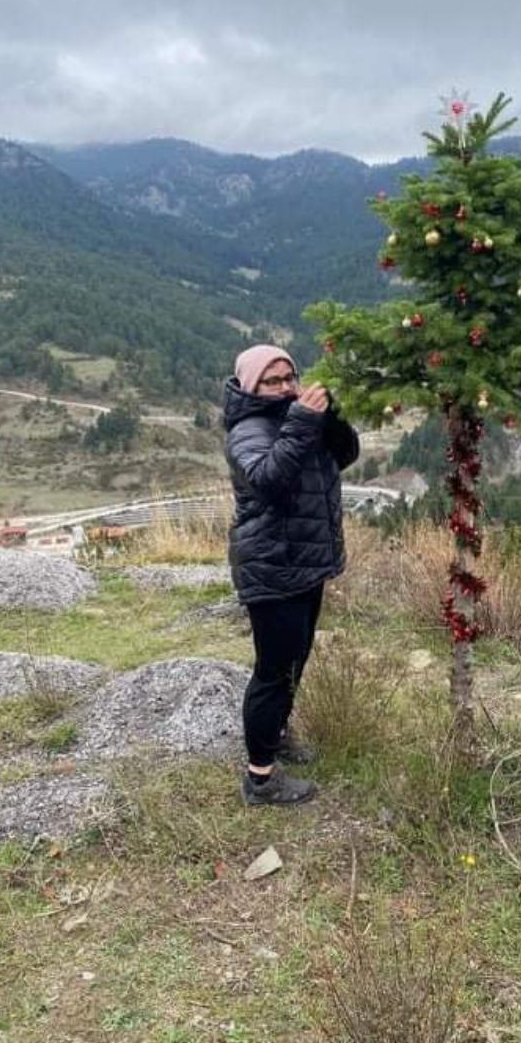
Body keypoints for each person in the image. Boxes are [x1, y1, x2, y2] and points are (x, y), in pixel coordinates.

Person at [224, 344, 360, 806]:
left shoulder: (298, 418)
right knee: (273, 668)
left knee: (296, 657)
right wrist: (303, 420)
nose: (284, 387)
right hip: (271, 564)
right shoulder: (248, 430)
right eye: (272, 380)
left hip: (304, 561)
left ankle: (277, 734)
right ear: (251, 385)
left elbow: (345, 454)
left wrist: (332, 416)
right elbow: (267, 479)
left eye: (290, 377)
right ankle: (260, 778)